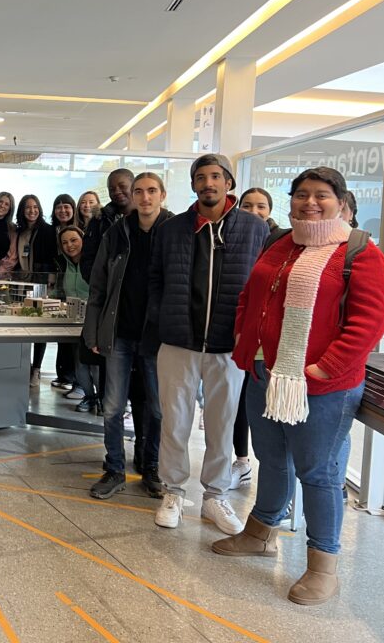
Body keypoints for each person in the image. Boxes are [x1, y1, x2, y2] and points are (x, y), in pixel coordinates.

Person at [214, 167, 384, 606]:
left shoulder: (360, 253)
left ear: (341, 203)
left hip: (322, 387)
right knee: (272, 459)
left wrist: (326, 368)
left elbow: (371, 322)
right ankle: (260, 531)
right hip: (265, 375)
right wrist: (244, 337)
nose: (310, 202)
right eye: (301, 195)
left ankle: (323, 566)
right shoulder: (281, 243)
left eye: (321, 195)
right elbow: (250, 296)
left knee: (320, 473)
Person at [147, 154, 268, 535]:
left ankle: (215, 496)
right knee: (174, 421)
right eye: (201, 177)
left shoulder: (253, 229)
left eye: (216, 176)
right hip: (178, 341)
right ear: (194, 184)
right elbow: (155, 281)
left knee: (222, 422)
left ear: (228, 182)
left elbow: (263, 287)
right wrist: (163, 318)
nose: (208, 183)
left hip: (227, 346)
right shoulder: (172, 229)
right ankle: (173, 491)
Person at [83, 173, 172, 500]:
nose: (144, 197)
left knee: (159, 409)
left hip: (158, 337)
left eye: (151, 191)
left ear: (162, 194)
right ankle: (114, 469)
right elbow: (99, 286)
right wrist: (92, 331)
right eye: (139, 192)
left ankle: (151, 468)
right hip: (119, 332)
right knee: (112, 406)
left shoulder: (174, 232)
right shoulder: (116, 232)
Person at [228, 186, 281, 489]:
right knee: (241, 403)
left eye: (260, 206)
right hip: (242, 335)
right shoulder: (235, 239)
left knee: (270, 409)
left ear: (270, 211)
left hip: (271, 342)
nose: (254, 212)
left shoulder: (281, 243)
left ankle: (276, 478)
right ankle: (241, 461)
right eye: (247, 206)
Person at [51, 226, 98, 408]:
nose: (69, 245)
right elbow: (61, 289)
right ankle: (90, 397)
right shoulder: (65, 265)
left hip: (93, 322)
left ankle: (101, 398)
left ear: (83, 240)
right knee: (80, 365)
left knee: (95, 366)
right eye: (64, 242)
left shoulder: (93, 263)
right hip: (73, 321)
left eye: (73, 240)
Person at [14, 194, 57, 387]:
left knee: (39, 326)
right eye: (27, 208)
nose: (32, 211)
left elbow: (51, 258)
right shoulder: (19, 231)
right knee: (21, 325)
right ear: (22, 211)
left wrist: (49, 282)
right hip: (21, 283)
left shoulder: (47, 230)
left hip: (40, 284)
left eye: (35, 207)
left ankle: (37, 369)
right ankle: (23, 366)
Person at [80, 170, 132, 282]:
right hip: (107, 289)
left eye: (122, 186)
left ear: (133, 186)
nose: (117, 191)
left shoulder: (145, 218)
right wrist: (100, 285)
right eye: (112, 189)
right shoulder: (99, 219)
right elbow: (88, 259)